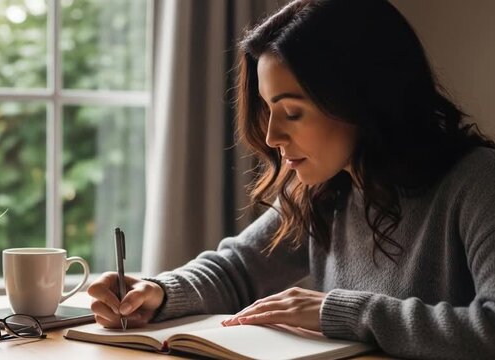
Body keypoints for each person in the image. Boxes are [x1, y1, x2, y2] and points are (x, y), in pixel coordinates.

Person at [87, 0, 495, 358]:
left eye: (293, 112)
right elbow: (239, 269)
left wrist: (342, 312)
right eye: (269, 109)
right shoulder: (326, 189)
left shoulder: (477, 182)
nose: (271, 137)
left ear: (365, 99)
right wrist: (159, 292)